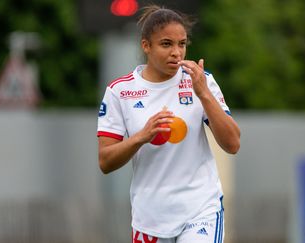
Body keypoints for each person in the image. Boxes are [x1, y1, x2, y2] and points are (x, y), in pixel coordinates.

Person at [97, 4, 240, 243]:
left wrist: (203, 93)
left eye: (182, 44)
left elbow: (233, 144)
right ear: (146, 46)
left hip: (200, 210)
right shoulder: (120, 92)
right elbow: (105, 161)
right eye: (166, 44)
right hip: (150, 217)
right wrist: (141, 136)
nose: (177, 52)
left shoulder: (201, 82)